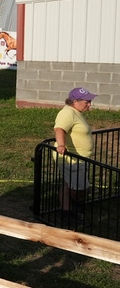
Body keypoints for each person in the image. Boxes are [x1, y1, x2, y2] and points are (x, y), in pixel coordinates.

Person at [54, 87, 97, 226]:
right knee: (80, 189)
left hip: (79, 157)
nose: (89, 104)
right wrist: (61, 145)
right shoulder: (67, 113)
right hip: (72, 159)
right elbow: (59, 128)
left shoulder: (76, 112)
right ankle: (77, 210)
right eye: (87, 101)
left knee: (68, 184)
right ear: (75, 101)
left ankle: (66, 213)